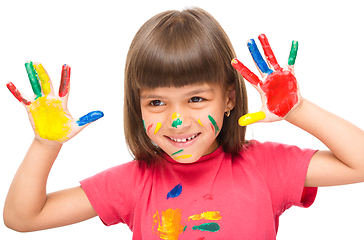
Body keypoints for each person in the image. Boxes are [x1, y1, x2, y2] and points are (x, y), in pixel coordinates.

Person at [4, 7, 364, 239]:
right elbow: (23, 218)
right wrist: (45, 144)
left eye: (196, 99)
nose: (178, 120)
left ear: (229, 98)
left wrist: (297, 110)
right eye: (157, 102)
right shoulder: (134, 182)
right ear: (138, 108)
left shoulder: (265, 167)